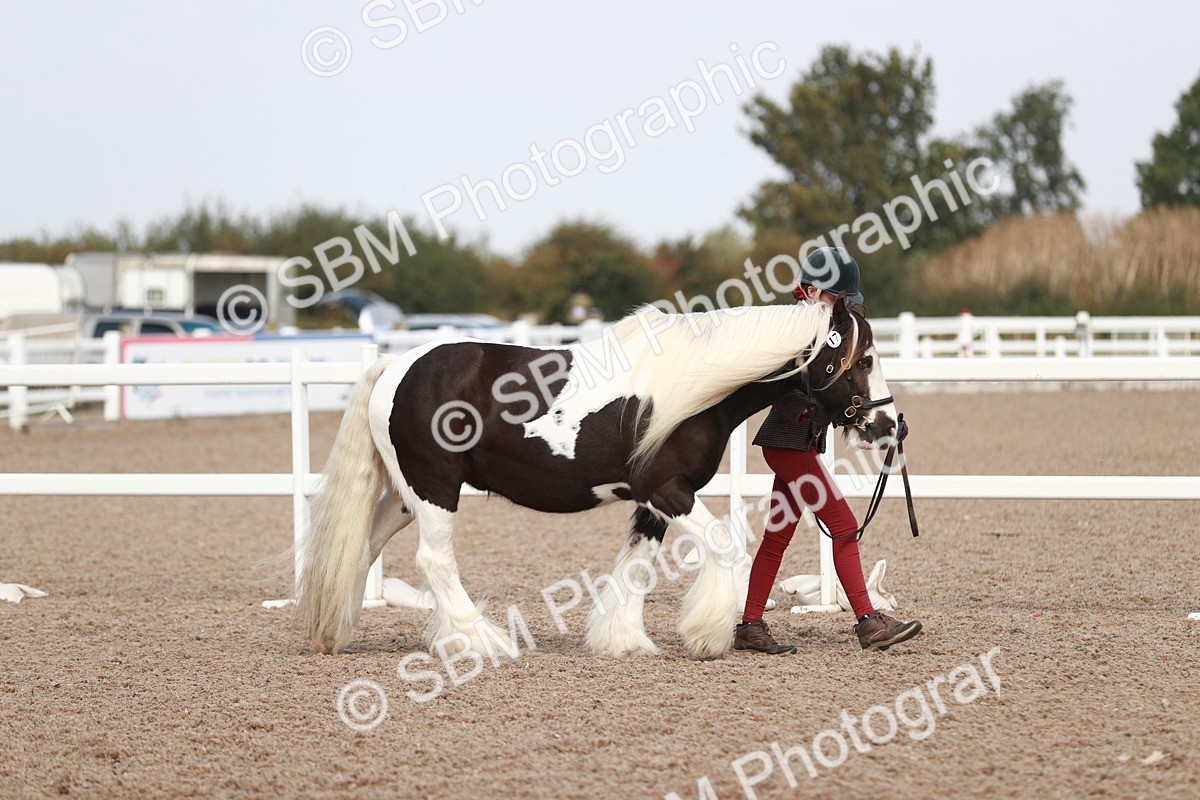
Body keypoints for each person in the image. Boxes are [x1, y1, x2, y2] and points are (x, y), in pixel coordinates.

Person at [734, 247, 923, 655]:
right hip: (790, 444)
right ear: (813, 291)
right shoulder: (799, 330)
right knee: (844, 524)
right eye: (836, 297)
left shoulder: (822, 332)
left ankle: (750, 625)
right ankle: (868, 621)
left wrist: (881, 426)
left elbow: (837, 398)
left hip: (793, 444)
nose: (840, 305)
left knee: (776, 537)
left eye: (843, 299)